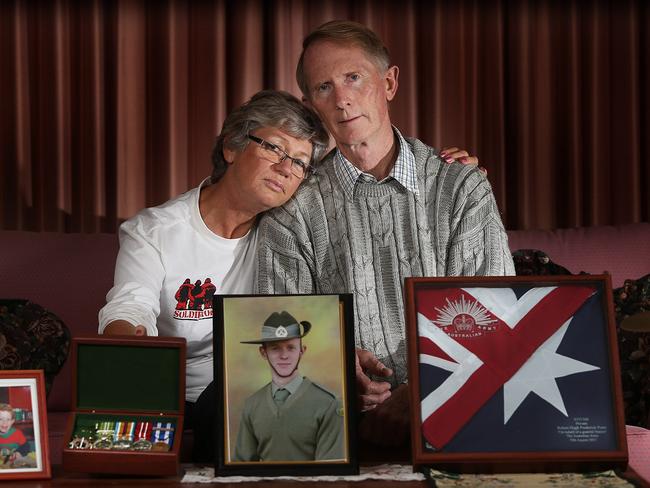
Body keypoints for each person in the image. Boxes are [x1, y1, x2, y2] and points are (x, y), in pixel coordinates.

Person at [255, 20, 516, 446]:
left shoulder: (461, 187)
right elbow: (281, 337)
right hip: (342, 424)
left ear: (389, 82)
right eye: (324, 88)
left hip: (463, 410)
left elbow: (497, 324)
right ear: (312, 107)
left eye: (353, 78)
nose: (342, 99)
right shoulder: (293, 212)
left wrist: (420, 395)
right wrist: (335, 368)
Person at [97, 90, 330, 459]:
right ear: (231, 148)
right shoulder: (155, 230)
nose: (287, 169)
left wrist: (444, 166)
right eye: (275, 148)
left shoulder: (289, 236)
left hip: (252, 389)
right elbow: (130, 306)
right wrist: (128, 341)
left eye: (300, 163)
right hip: (169, 396)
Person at [233, 311, 344, 462]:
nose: (284, 355)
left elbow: (330, 473)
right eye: (275, 348)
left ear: (302, 351)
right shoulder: (252, 404)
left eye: (291, 347)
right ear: (263, 352)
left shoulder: (329, 403)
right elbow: (242, 468)